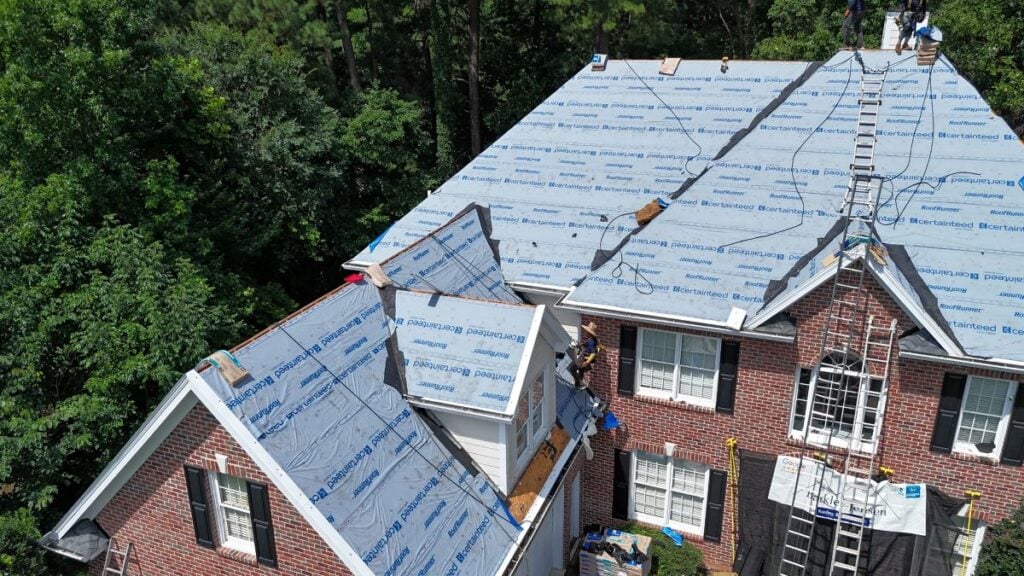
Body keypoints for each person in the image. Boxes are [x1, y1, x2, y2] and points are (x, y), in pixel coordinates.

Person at [569, 321, 601, 389]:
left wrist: (587, 362)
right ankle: (579, 383)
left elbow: (593, 353)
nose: (586, 332)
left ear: (590, 333)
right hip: (585, 357)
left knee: (572, 369)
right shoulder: (593, 339)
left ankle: (578, 383)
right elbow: (596, 346)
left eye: (587, 331)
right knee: (581, 370)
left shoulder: (591, 341)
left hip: (584, 358)